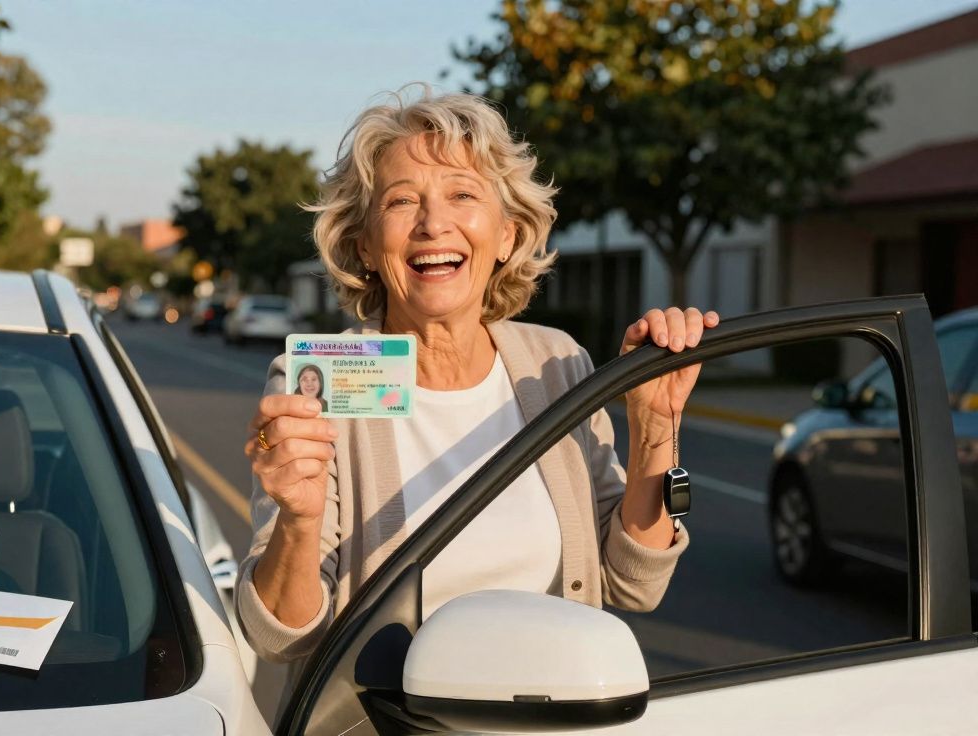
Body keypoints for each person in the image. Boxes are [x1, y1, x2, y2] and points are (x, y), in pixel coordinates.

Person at [236, 89, 720, 666]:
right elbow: (283, 640)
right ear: (364, 244)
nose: (433, 223)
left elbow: (632, 583)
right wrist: (298, 517)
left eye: (462, 195)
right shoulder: (314, 381)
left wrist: (654, 428)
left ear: (508, 235)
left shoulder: (557, 363)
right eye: (401, 202)